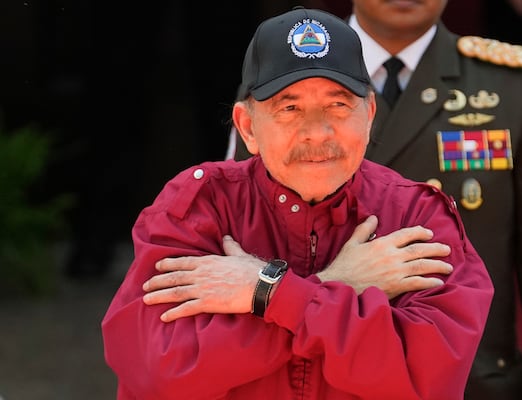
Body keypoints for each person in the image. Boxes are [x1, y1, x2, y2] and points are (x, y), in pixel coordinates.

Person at [101, 7, 494, 399]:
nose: (317, 133)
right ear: (248, 127)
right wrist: (335, 284)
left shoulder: (416, 218)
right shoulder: (199, 207)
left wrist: (268, 292)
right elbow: (158, 371)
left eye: (338, 105)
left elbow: (422, 380)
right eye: (289, 108)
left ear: (369, 114)